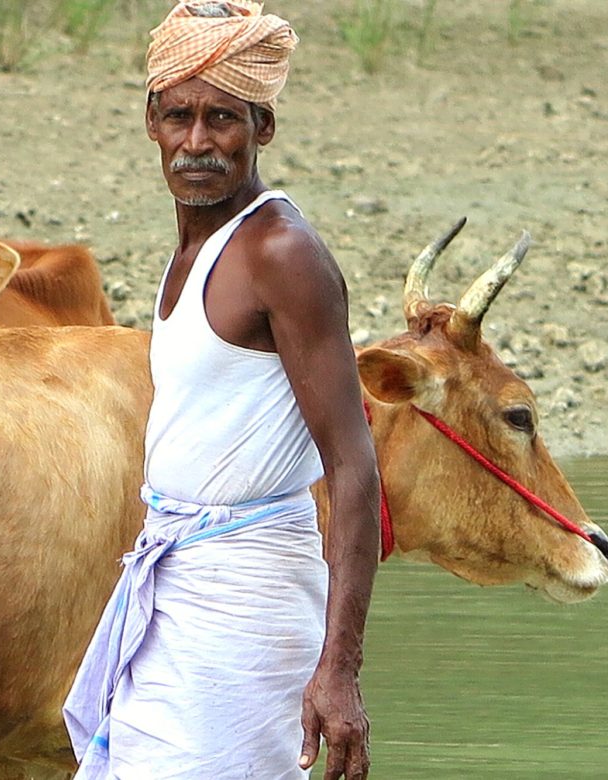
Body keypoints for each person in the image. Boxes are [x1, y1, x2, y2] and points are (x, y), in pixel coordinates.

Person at [63, 2, 380, 778]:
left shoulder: (282, 254)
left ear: (262, 128)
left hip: (251, 592)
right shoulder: (197, 245)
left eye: (222, 119)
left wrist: (337, 672)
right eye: (180, 116)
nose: (198, 143)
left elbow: (354, 467)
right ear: (151, 121)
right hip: (178, 578)